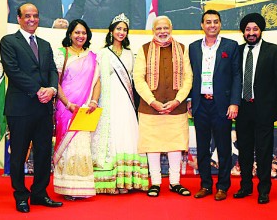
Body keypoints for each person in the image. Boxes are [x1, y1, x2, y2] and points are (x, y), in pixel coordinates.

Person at [0, 3, 62, 213]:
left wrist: (52, 89)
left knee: (44, 153)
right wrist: (39, 90)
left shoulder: (45, 44)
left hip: (44, 109)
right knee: (18, 154)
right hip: (20, 108)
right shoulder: (8, 41)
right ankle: (21, 196)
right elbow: (13, 71)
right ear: (18, 18)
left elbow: (53, 70)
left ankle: (39, 194)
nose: (32, 19)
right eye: (27, 16)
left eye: (35, 16)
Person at [133, 15, 193, 197]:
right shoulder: (144, 50)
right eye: (158, 29)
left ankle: (175, 182)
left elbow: (188, 78)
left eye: (165, 28)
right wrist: (153, 102)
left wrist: (177, 100)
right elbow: (138, 79)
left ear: (171, 29)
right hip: (150, 108)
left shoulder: (182, 49)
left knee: (175, 145)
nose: (162, 32)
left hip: (177, 107)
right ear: (153, 31)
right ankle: (156, 182)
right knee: (153, 145)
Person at [233, 13, 277, 204]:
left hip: (264, 109)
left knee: (264, 150)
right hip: (242, 109)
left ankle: (264, 189)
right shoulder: (236, 51)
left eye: (255, 29)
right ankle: (245, 186)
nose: (251, 33)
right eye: (247, 29)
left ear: (261, 30)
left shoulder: (275, 51)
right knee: (245, 150)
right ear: (243, 32)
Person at [91, 13, 149, 194]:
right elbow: (98, 80)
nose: (121, 32)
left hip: (126, 101)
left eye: (124, 30)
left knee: (127, 134)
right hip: (108, 101)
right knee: (111, 136)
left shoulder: (130, 54)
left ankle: (126, 180)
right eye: (118, 29)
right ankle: (111, 180)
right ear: (111, 31)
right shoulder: (102, 53)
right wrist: (94, 100)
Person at [188, 9, 241, 201]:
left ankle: (223, 186)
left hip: (222, 105)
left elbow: (237, 76)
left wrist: (234, 102)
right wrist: (189, 100)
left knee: (223, 148)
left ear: (220, 24)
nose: (212, 25)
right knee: (202, 148)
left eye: (215, 22)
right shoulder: (193, 47)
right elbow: (190, 76)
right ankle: (205, 185)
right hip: (200, 104)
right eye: (208, 22)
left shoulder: (231, 46)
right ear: (202, 25)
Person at [53, 19, 100, 200]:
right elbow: (55, 83)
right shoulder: (61, 54)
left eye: (84, 33)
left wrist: (94, 102)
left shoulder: (92, 57)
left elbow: (97, 82)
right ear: (70, 34)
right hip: (66, 109)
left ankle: (81, 187)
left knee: (82, 147)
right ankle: (66, 188)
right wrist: (67, 103)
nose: (81, 36)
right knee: (68, 147)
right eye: (77, 32)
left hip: (85, 110)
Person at [64, 0, 146, 29]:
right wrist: (66, 22)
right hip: (91, 36)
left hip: (118, 38)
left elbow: (138, 13)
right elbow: (78, 6)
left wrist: (135, 36)